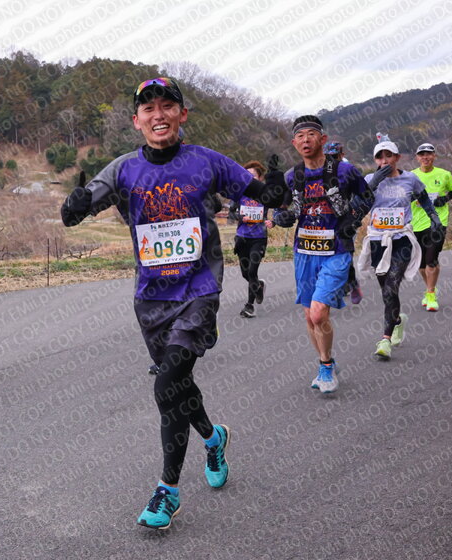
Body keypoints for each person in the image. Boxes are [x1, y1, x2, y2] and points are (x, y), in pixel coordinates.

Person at [61, 77, 287, 530]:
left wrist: (276, 186)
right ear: (136, 120)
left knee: (166, 386)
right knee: (179, 386)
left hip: (199, 289)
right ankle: (213, 437)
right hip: (151, 299)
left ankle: (168, 491)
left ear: (182, 114)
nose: (158, 115)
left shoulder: (207, 161)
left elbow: (263, 196)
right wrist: (76, 202)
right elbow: (74, 215)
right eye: (149, 109)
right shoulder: (123, 169)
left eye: (167, 106)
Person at [271, 115, 371, 394]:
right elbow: (283, 208)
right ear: (294, 143)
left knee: (317, 314)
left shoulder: (344, 171)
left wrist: (352, 218)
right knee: (309, 317)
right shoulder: (292, 176)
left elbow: (367, 197)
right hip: (304, 251)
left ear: (323, 139)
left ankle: (326, 367)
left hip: (335, 250)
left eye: (311, 134)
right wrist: (281, 217)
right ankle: (326, 362)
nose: (306, 140)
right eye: (300, 136)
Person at [357, 137, 442, 359]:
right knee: (386, 289)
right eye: (379, 157)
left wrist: (434, 218)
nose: (384, 161)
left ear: (397, 157)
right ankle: (396, 320)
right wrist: (373, 183)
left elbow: (424, 198)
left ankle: (385, 340)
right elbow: (358, 206)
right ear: (375, 160)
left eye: (388, 156)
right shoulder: (369, 179)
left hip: (401, 238)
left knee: (391, 285)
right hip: (378, 240)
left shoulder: (410, 179)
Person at [410, 143, 452, 311]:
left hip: (438, 222)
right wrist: (412, 198)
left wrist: (443, 199)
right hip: (416, 223)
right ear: (417, 157)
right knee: (421, 265)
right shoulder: (411, 176)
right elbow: (403, 196)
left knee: (431, 260)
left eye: (428, 154)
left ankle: (431, 295)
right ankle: (430, 288)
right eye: (422, 154)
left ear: (434, 156)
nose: (425, 157)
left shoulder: (444, 174)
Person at [228, 160, 270, 318]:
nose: (250, 178)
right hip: (242, 238)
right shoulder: (239, 192)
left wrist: (273, 221)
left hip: (259, 238)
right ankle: (258, 286)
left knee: (252, 271)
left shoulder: (265, 193)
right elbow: (231, 213)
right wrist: (240, 217)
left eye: (253, 176)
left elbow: (279, 206)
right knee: (245, 273)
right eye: (247, 175)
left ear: (260, 178)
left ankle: (249, 306)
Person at [325, 141, 363, 304]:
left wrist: (356, 215)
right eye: (328, 156)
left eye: (335, 156)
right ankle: (335, 287)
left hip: (346, 221)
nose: (332, 159)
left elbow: (363, 195)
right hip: (325, 221)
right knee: (327, 255)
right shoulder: (318, 172)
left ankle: (352, 284)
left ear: (342, 155)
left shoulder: (348, 170)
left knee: (345, 255)